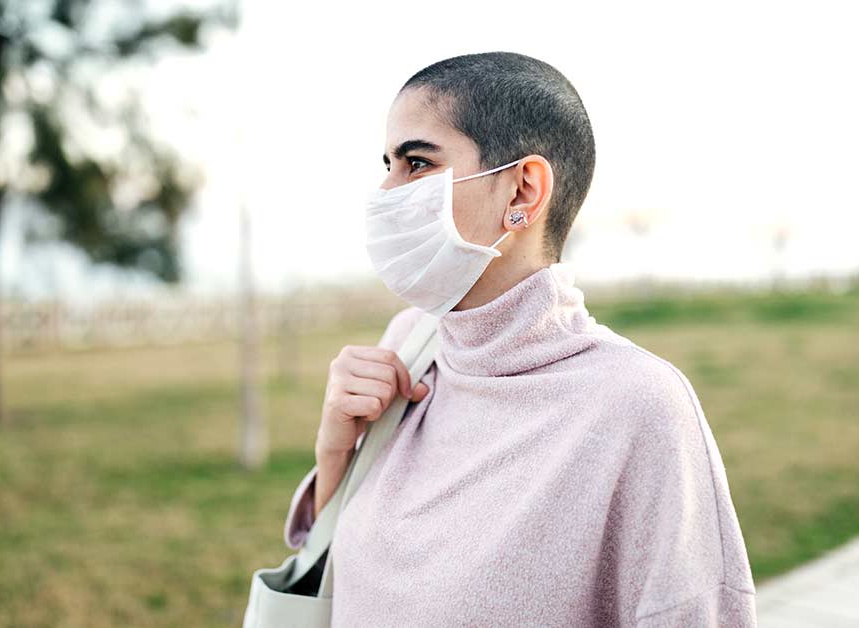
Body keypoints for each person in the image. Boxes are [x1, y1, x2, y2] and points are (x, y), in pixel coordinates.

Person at [281, 51, 757, 627]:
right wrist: (336, 451)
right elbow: (336, 572)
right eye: (387, 163)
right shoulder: (410, 344)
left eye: (416, 163)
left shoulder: (639, 405)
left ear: (523, 191)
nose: (386, 190)